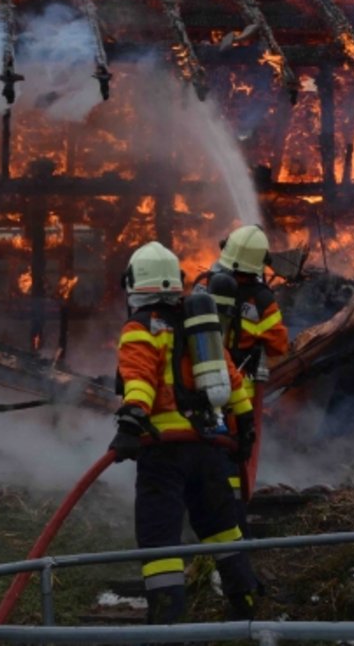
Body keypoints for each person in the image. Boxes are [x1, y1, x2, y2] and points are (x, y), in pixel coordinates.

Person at [109, 241, 261, 624]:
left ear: (134, 284)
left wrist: (131, 421)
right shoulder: (198, 324)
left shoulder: (140, 328)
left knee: (159, 540)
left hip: (163, 451)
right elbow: (231, 376)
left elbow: (140, 379)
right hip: (208, 445)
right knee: (223, 529)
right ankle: (246, 604)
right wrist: (244, 424)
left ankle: (166, 623)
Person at [193, 225, 289, 501]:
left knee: (201, 441)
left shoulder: (202, 284)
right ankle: (232, 508)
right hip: (240, 390)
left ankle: (200, 502)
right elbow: (279, 345)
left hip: (198, 378)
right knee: (234, 449)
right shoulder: (262, 301)